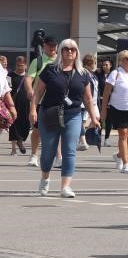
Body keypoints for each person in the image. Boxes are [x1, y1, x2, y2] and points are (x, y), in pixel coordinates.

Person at [28, 39, 101, 197]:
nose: (69, 52)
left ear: (77, 53)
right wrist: (33, 109)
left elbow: (88, 98)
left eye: (73, 49)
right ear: (60, 51)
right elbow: (38, 91)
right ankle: (45, 177)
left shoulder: (83, 73)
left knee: (69, 151)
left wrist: (94, 118)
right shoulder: (50, 69)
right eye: (66, 49)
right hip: (50, 113)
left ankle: (65, 187)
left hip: (73, 114)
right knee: (48, 151)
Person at [24, 36, 58, 167]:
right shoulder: (37, 61)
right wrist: (29, 91)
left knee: (57, 130)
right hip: (39, 101)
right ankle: (33, 155)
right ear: (44, 46)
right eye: (50, 45)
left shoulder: (60, 61)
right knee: (37, 130)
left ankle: (58, 157)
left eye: (54, 45)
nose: (52, 48)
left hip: (56, 101)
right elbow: (28, 79)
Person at [77, 54, 99, 152]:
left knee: (96, 118)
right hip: (83, 102)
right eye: (92, 63)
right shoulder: (83, 73)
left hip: (93, 103)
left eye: (94, 63)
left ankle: (83, 135)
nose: (94, 65)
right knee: (80, 122)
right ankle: (83, 141)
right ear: (87, 64)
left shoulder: (93, 75)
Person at [8, 55, 28, 155]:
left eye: (22, 65)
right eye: (18, 65)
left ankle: (20, 141)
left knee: (25, 125)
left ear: (26, 65)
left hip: (25, 105)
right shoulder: (10, 75)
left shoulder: (28, 76)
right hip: (13, 104)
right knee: (13, 125)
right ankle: (13, 149)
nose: (20, 67)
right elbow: (7, 89)